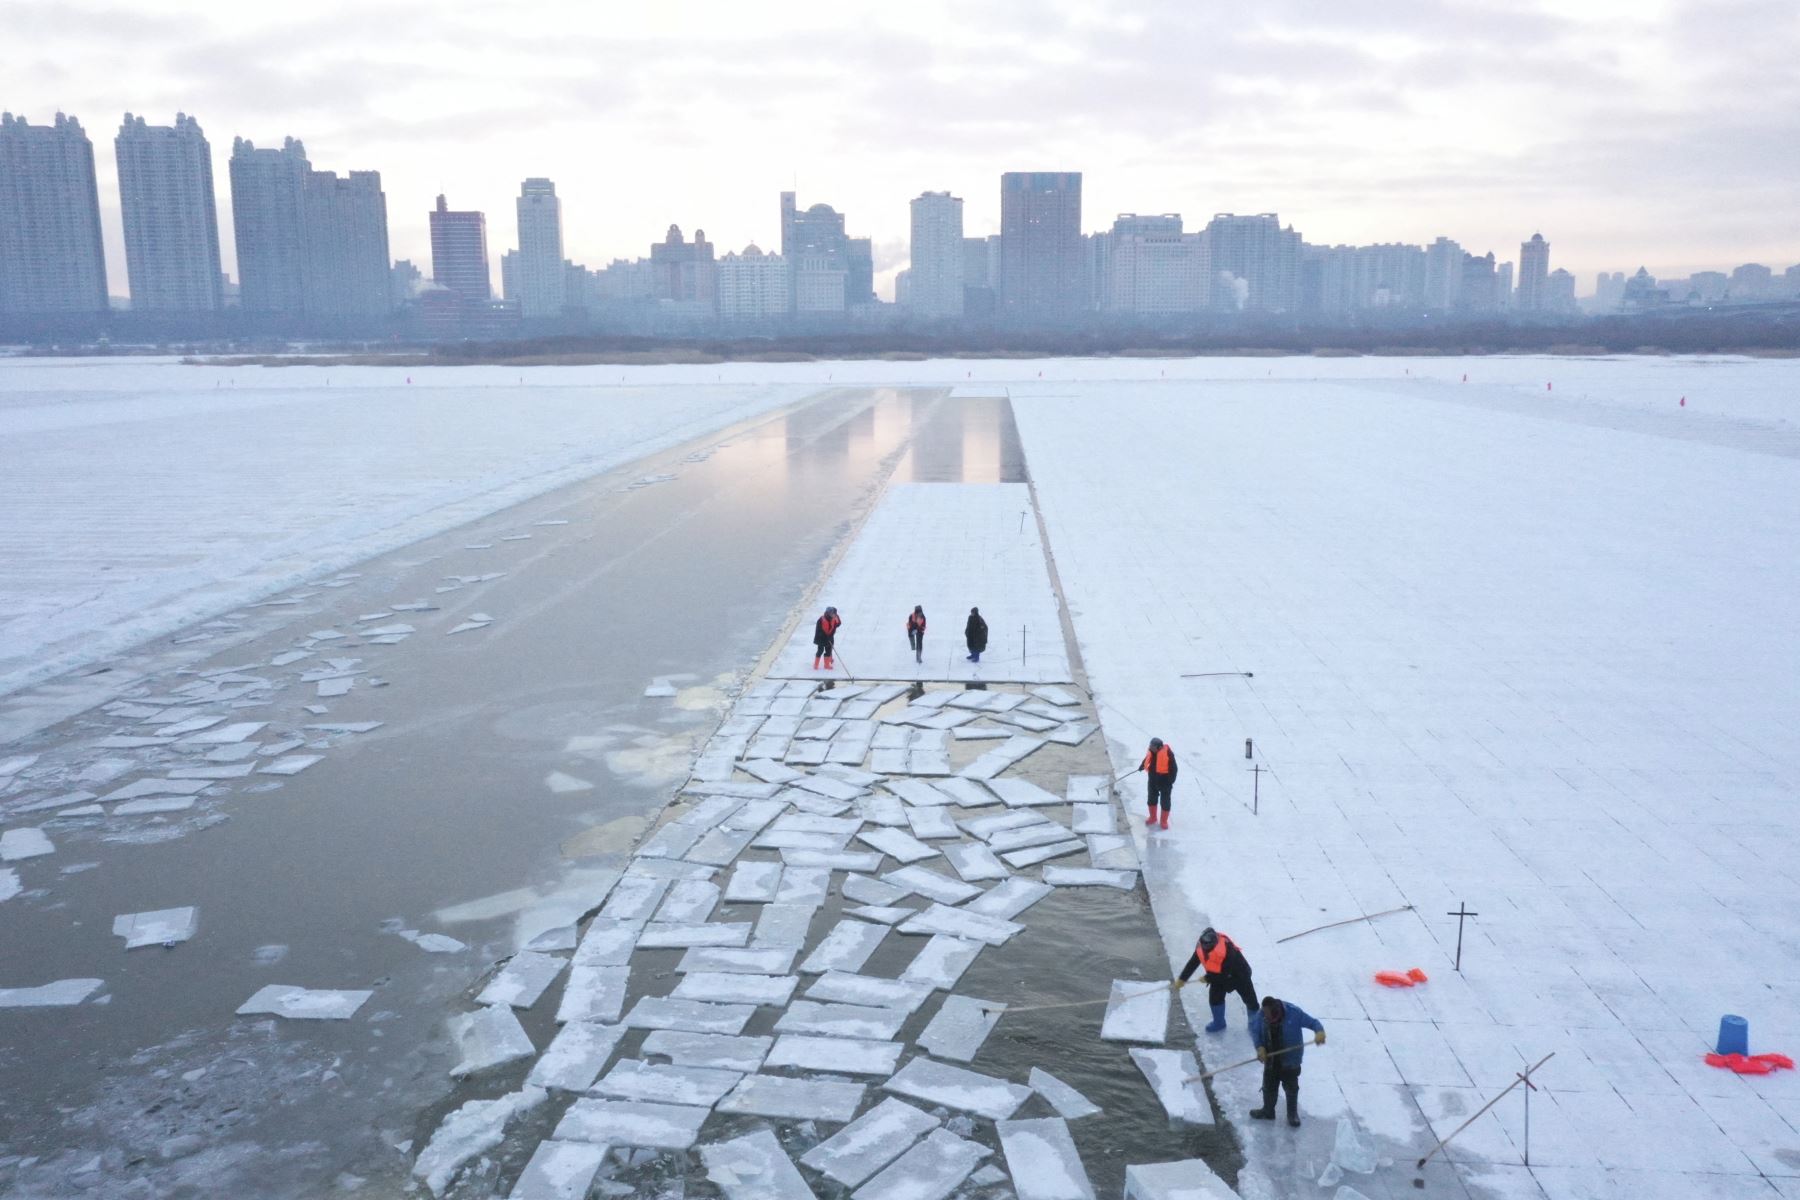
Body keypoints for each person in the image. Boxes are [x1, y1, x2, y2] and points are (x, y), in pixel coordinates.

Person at [1248, 996, 1324, 1127]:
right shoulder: (1261, 1015)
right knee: (1269, 1087)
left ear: (1277, 1012)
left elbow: (1314, 1023)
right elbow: (1255, 1031)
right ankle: (1268, 1111)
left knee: (1291, 1088)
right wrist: (1259, 1047)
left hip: (1291, 1061)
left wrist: (1320, 1032)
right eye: (1264, 1015)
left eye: (1269, 1017)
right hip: (1271, 1059)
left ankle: (1292, 1114)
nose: (1265, 1018)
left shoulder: (1294, 1013)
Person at [1175, 927, 1257, 1033]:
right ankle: (1219, 1023)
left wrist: (1207, 978)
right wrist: (1182, 979)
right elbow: (1193, 962)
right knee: (1215, 1000)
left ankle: (1254, 1024)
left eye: (1206, 946)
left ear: (1213, 944)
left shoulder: (1228, 950)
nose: (1203, 947)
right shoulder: (1201, 946)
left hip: (1239, 975)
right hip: (1216, 976)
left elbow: (1224, 973)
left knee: (1250, 1001)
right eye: (1202, 944)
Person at [1139, 737, 1177, 830]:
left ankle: (1163, 821)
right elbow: (1147, 758)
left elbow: (1174, 769)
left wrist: (1170, 781)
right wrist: (1142, 765)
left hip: (1164, 781)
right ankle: (1153, 817)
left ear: (1159, 747)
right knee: (1151, 798)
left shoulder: (1168, 754)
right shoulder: (1151, 751)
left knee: (1165, 802)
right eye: (1150, 745)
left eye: (1153, 746)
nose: (1150, 747)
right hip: (1152, 779)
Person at [812, 606, 841, 671]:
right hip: (821, 639)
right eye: (833, 614)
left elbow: (838, 624)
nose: (834, 615)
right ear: (828, 613)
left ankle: (826, 665)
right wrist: (825, 637)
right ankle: (816, 665)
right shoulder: (822, 620)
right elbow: (819, 631)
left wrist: (837, 617)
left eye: (835, 614)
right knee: (820, 651)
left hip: (829, 637)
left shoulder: (834, 618)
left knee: (828, 650)